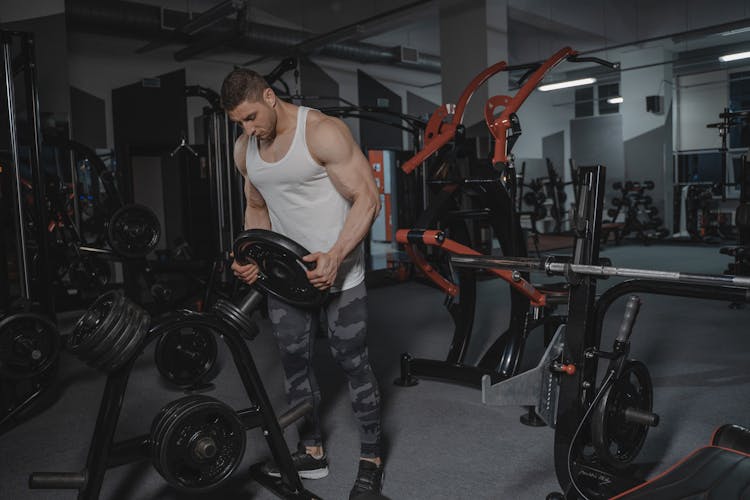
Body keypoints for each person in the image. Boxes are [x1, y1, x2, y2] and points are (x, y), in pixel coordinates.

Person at [221, 68, 384, 499]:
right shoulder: (245, 150)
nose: (248, 129)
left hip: (340, 275)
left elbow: (368, 197)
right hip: (286, 280)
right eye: (240, 122)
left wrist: (336, 254)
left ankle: (371, 457)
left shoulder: (322, 133)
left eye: (252, 117)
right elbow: (256, 207)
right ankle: (310, 450)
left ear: (270, 97)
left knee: (352, 359)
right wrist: (249, 258)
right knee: (294, 364)